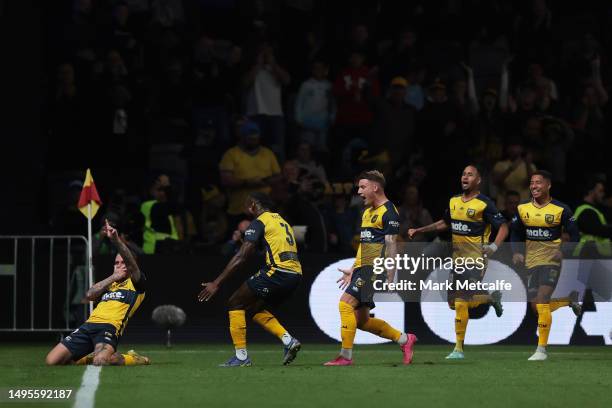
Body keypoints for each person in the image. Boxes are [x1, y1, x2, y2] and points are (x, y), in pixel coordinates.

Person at [408, 165, 509, 360]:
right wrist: (420, 230)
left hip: (476, 260)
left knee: (462, 301)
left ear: (478, 181)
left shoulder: (484, 204)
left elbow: (503, 227)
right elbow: (445, 223)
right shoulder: (454, 201)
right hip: (458, 261)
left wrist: (494, 247)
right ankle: (490, 299)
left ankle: (458, 349)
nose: (465, 177)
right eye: (463, 174)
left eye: (470, 174)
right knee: (454, 304)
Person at [323, 171, 417, 366]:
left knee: (345, 304)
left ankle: (345, 356)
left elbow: (392, 245)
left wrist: (390, 276)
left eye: (362, 187)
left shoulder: (389, 212)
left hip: (376, 268)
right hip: (363, 268)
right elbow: (365, 245)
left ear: (375, 187)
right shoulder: (367, 212)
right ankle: (404, 339)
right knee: (362, 321)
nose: (359, 191)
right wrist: (353, 268)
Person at [198, 193, 302, 367]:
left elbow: (242, 256)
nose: (246, 208)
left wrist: (216, 283)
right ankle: (288, 340)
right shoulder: (281, 221)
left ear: (254, 205)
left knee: (235, 303)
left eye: (247, 204)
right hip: (295, 275)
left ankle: (241, 357)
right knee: (254, 309)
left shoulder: (260, 221)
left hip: (278, 272)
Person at [45, 220, 149, 366]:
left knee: (100, 360)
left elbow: (131, 263)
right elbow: (89, 295)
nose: (120, 266)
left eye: (123, 263)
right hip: (88, 326)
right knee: (52, 361)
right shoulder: (109, 283)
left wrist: (116, 240)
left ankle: (135, 359)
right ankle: (89, 356)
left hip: (110, 328)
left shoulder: (137, 282)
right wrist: (113, 277)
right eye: (116, 263)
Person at [511, 170, 581, 361]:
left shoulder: (561, 209)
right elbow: (515, 232)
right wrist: (516, 251)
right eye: (532, 183)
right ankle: (568, 300)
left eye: (538, 183)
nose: (534, 186)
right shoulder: (522, 208)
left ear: (548, 185)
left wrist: (563, 251)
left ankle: (541, 350)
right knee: (536, 307)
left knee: (541, 300)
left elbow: (575, 235)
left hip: (551, 261)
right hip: (531, 262)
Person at [219, 120, 281, 226]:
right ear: (242, 137)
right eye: (250, 138)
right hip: (239, 209)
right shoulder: (231, 154)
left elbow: (278, 176)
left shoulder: (267, 153)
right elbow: (225, 180)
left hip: (264, 209)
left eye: (255, 138)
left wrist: (263, 181)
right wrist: (247, 183)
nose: (253, 140)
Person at [294, 61, 336, 153]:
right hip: (307, 121)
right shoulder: (306, 85)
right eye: (316, 68)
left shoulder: (329, 85)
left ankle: (319, 167)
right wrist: (298, 118)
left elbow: (332, 103)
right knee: (308, 147)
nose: (318, 70)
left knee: (321, 148)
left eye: (320, 68)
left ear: (325, 70)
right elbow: (299, 102)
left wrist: (332, 116)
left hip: (323, 121)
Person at [573, 175, 612, 258]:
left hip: (593, 254)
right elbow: (599, 230)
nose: (603, 194)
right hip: (587, 254)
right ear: (591, 192)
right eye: (600, 191)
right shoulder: (586, 211)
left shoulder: (591, 209)